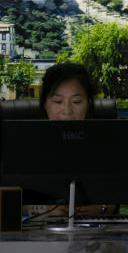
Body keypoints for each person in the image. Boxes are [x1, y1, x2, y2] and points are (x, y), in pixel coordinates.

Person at [38, 62, 113, 216]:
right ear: (45, 104)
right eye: (58, 102)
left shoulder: (104, 146)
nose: (67, 111)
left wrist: (101, 209)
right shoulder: (25, 145)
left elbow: (118, 199)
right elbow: (8, 201)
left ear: (88, 104)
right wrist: (42, 211)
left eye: (76, 102)